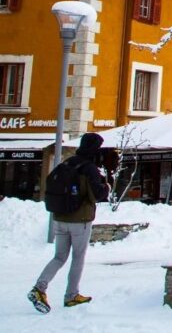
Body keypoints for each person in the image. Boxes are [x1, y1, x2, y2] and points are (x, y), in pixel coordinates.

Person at [28, 133, 110, 314]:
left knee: (59, 257)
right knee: (78, 257)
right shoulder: (89, 168)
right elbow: (97, 194)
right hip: (79, 219)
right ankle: (72, 295)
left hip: (60, 217)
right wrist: (107, 187)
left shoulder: (68, 162)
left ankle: (39, 288)